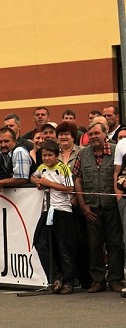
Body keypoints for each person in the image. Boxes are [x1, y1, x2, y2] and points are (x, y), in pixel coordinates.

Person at [74, 121, 123, 293]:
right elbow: (78, 179)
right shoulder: (83, 154)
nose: (93, 137)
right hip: (91, 207)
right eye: (91, 134)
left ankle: (116, 279)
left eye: (97, 133)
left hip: (112, 208)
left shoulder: (117, 150)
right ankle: (98, 280)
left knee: (115, 244)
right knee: (94, 245)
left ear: (105, 133)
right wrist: (83, 205)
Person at [29, 139, 76, 294]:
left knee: (63, 247)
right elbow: (33, 177)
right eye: (44, 155)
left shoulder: (63, 168)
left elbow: (69, 188)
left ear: (57, 156)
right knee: (39, 242)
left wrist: (48, 183)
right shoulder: (41, 168)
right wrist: (38, 182)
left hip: (62, 210)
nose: (47, 159)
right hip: (47, 210)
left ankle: (69, 281)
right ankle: (56, 275)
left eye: (50, 155)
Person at [0, 127, 33, 196]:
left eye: (6, 141)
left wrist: (0, 182)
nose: (3, 145)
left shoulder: (19, 151)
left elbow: (22, 179)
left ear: (15, 141)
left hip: (28, 195)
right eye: (0, 142)